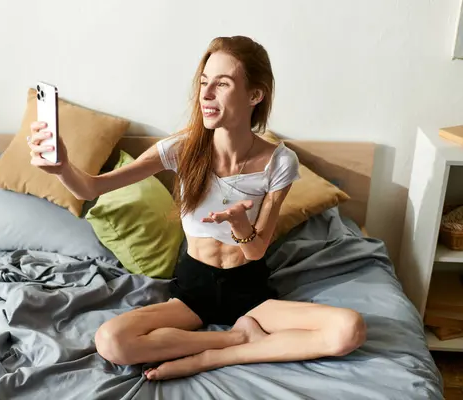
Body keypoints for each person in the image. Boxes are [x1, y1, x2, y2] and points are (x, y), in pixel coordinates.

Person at [26, 35, 367, 381]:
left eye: (222, 84)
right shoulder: (180, 149)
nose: (205, 95)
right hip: (192, 292)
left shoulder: (279, 162)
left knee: (349, 329)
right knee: (111, 341)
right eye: (204, 82)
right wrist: (62, 168)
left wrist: (240, 227)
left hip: (250, 293)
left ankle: (210, 358)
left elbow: (257, 250)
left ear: (254, 95)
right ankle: (235, 339)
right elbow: (92, 187)